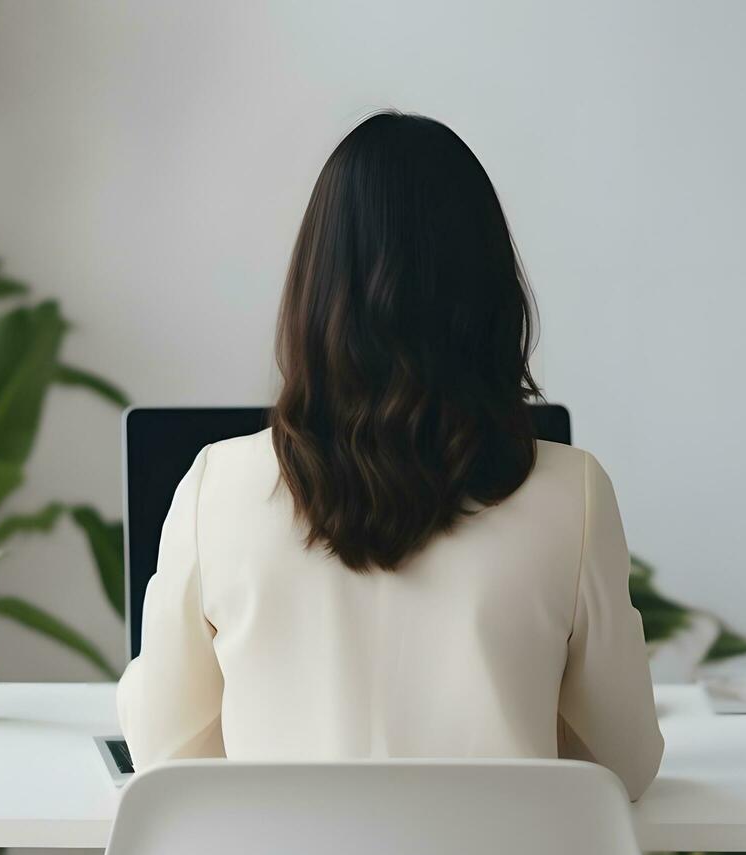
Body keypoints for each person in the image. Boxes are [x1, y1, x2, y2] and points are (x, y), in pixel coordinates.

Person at [117, 111, 664, 800]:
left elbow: (161, 753)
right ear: (492, 295)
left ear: (313, 293)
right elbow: (627, 764)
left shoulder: (215, 488)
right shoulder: (572, 493)